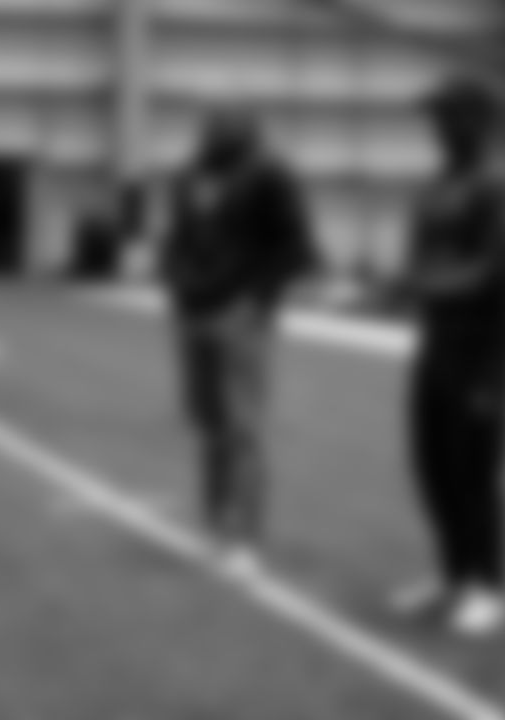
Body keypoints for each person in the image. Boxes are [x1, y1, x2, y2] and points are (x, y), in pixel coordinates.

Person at [394, 75, 505, 638]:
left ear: (476, 121)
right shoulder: (436, 185)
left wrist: (425, 285)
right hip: (437, 347)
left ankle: (489, 587)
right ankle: (452, 576)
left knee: (477, 473)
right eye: (434, 118)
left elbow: (501, 270)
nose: (436, 128)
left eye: (445, 117)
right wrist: (402, 282)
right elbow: (421, 257)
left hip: (484, 353)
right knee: (432, 467)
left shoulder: (497, 185)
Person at [160, 108, 318, 570]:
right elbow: (177, 237)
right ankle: (216, 525)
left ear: (246, 132)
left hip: (239, 317)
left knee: (242, 428)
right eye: (208, 125)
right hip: (194, 314)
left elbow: (299, 248)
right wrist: (174, 280)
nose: (211, 133)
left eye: (222, 127)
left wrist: (257, 301)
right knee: (209, 428)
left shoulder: (271, 175)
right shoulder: (189, 175)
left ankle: (247, 538)